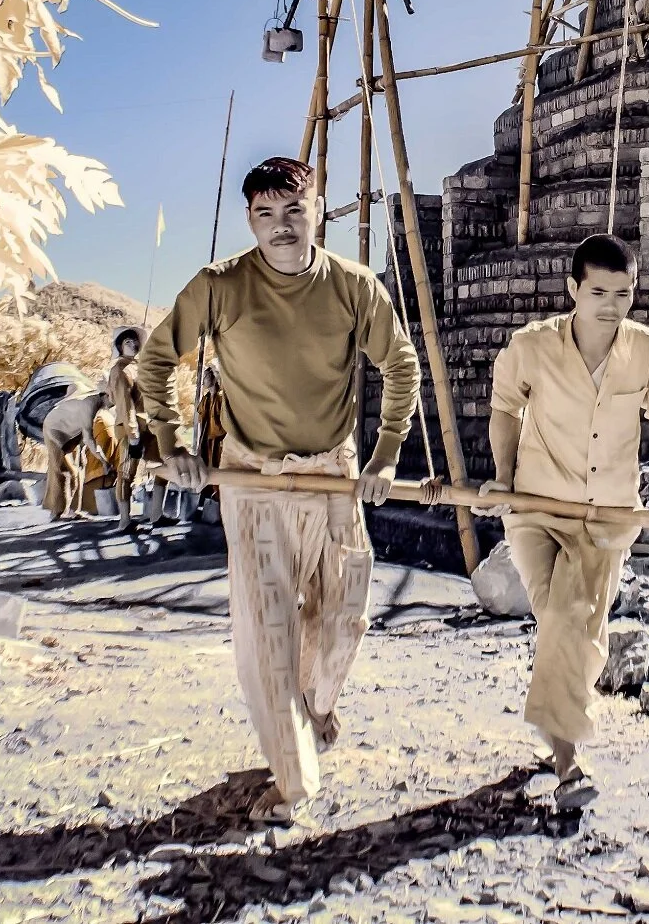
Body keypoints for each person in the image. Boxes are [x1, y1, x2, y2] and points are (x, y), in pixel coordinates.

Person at [136, 156, 421, 825]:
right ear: (250, 220)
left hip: (331, 474)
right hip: (252, 478)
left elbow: (400, 365)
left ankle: (315, 707)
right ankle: (294, 781)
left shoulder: (353, 287)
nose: (282, 227)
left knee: (344, 616)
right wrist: (175, 442)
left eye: (294, 211)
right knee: (268, 632)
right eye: (266, 215)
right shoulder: (220, 286)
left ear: (317, 209)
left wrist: (383, 457)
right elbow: (156, 360)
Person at [474, 234, 649, 808]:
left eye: (623, 293)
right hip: (538, 510)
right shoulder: (531, 346)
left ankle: (560, 750)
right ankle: (566, 756)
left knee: (576, 625)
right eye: (599, 292)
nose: (612, 305)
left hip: (608, 517)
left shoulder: (646, 349)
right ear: (573, 290)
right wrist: (503, 478)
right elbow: (504, 408)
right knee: (563, 618)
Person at [102, 324, 148, 526]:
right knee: (126, 472)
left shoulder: (133, 367)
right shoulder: (120, 370)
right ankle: (124, 519)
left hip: (142, 425)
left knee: (135, 472)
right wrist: (133, 432)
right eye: (127, 342)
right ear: (120, 346)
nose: (133, 344)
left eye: (135, 341)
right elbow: (123, 403)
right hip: (131, 428)